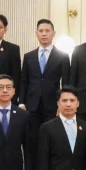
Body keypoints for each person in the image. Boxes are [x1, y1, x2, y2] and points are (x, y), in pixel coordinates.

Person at [19, 19, 70, 159]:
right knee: (31, 141)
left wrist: (62, 104)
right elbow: (24, 81)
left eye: (47, 31)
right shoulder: (28, 56)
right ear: (36, 33)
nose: (44, 34)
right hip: (31, 105)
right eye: (41, 31)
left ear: (53, 33)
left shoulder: (63, 56)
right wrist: (21, 102)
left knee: (52, 140)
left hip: (52, 105)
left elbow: (66, 83)